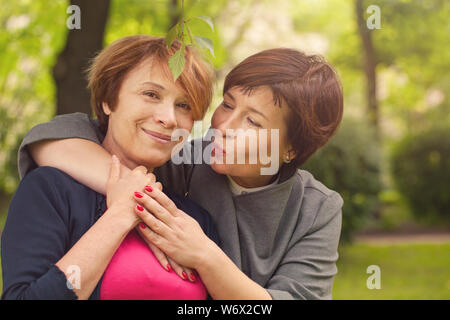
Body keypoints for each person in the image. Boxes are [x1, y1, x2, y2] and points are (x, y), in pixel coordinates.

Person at [14, 47, 344, 299]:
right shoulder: (183, 159)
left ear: (292, 150)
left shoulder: (316, 210)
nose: (223, 127)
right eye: (227, 105)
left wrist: (204, 255)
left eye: (253, 122)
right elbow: (53, 138)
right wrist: (135, 195)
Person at [1, 35, 219, 300]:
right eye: (151, 94)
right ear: (108, 100)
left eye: (183, 105)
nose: (169, 118)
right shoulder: (50, 190)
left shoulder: (194, 218)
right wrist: (120, 215)